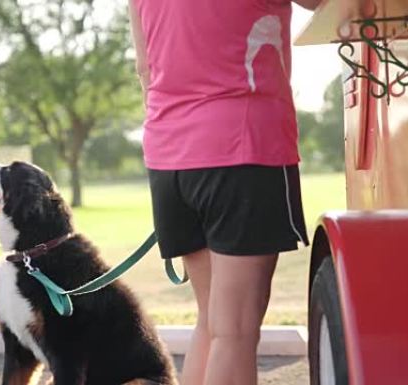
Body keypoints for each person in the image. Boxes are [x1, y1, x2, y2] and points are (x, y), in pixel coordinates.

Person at [129, 1, 321, 384]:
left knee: (213, 321)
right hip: (242, 145)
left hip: (170, 155)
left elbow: (145, 69)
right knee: (234, 330)